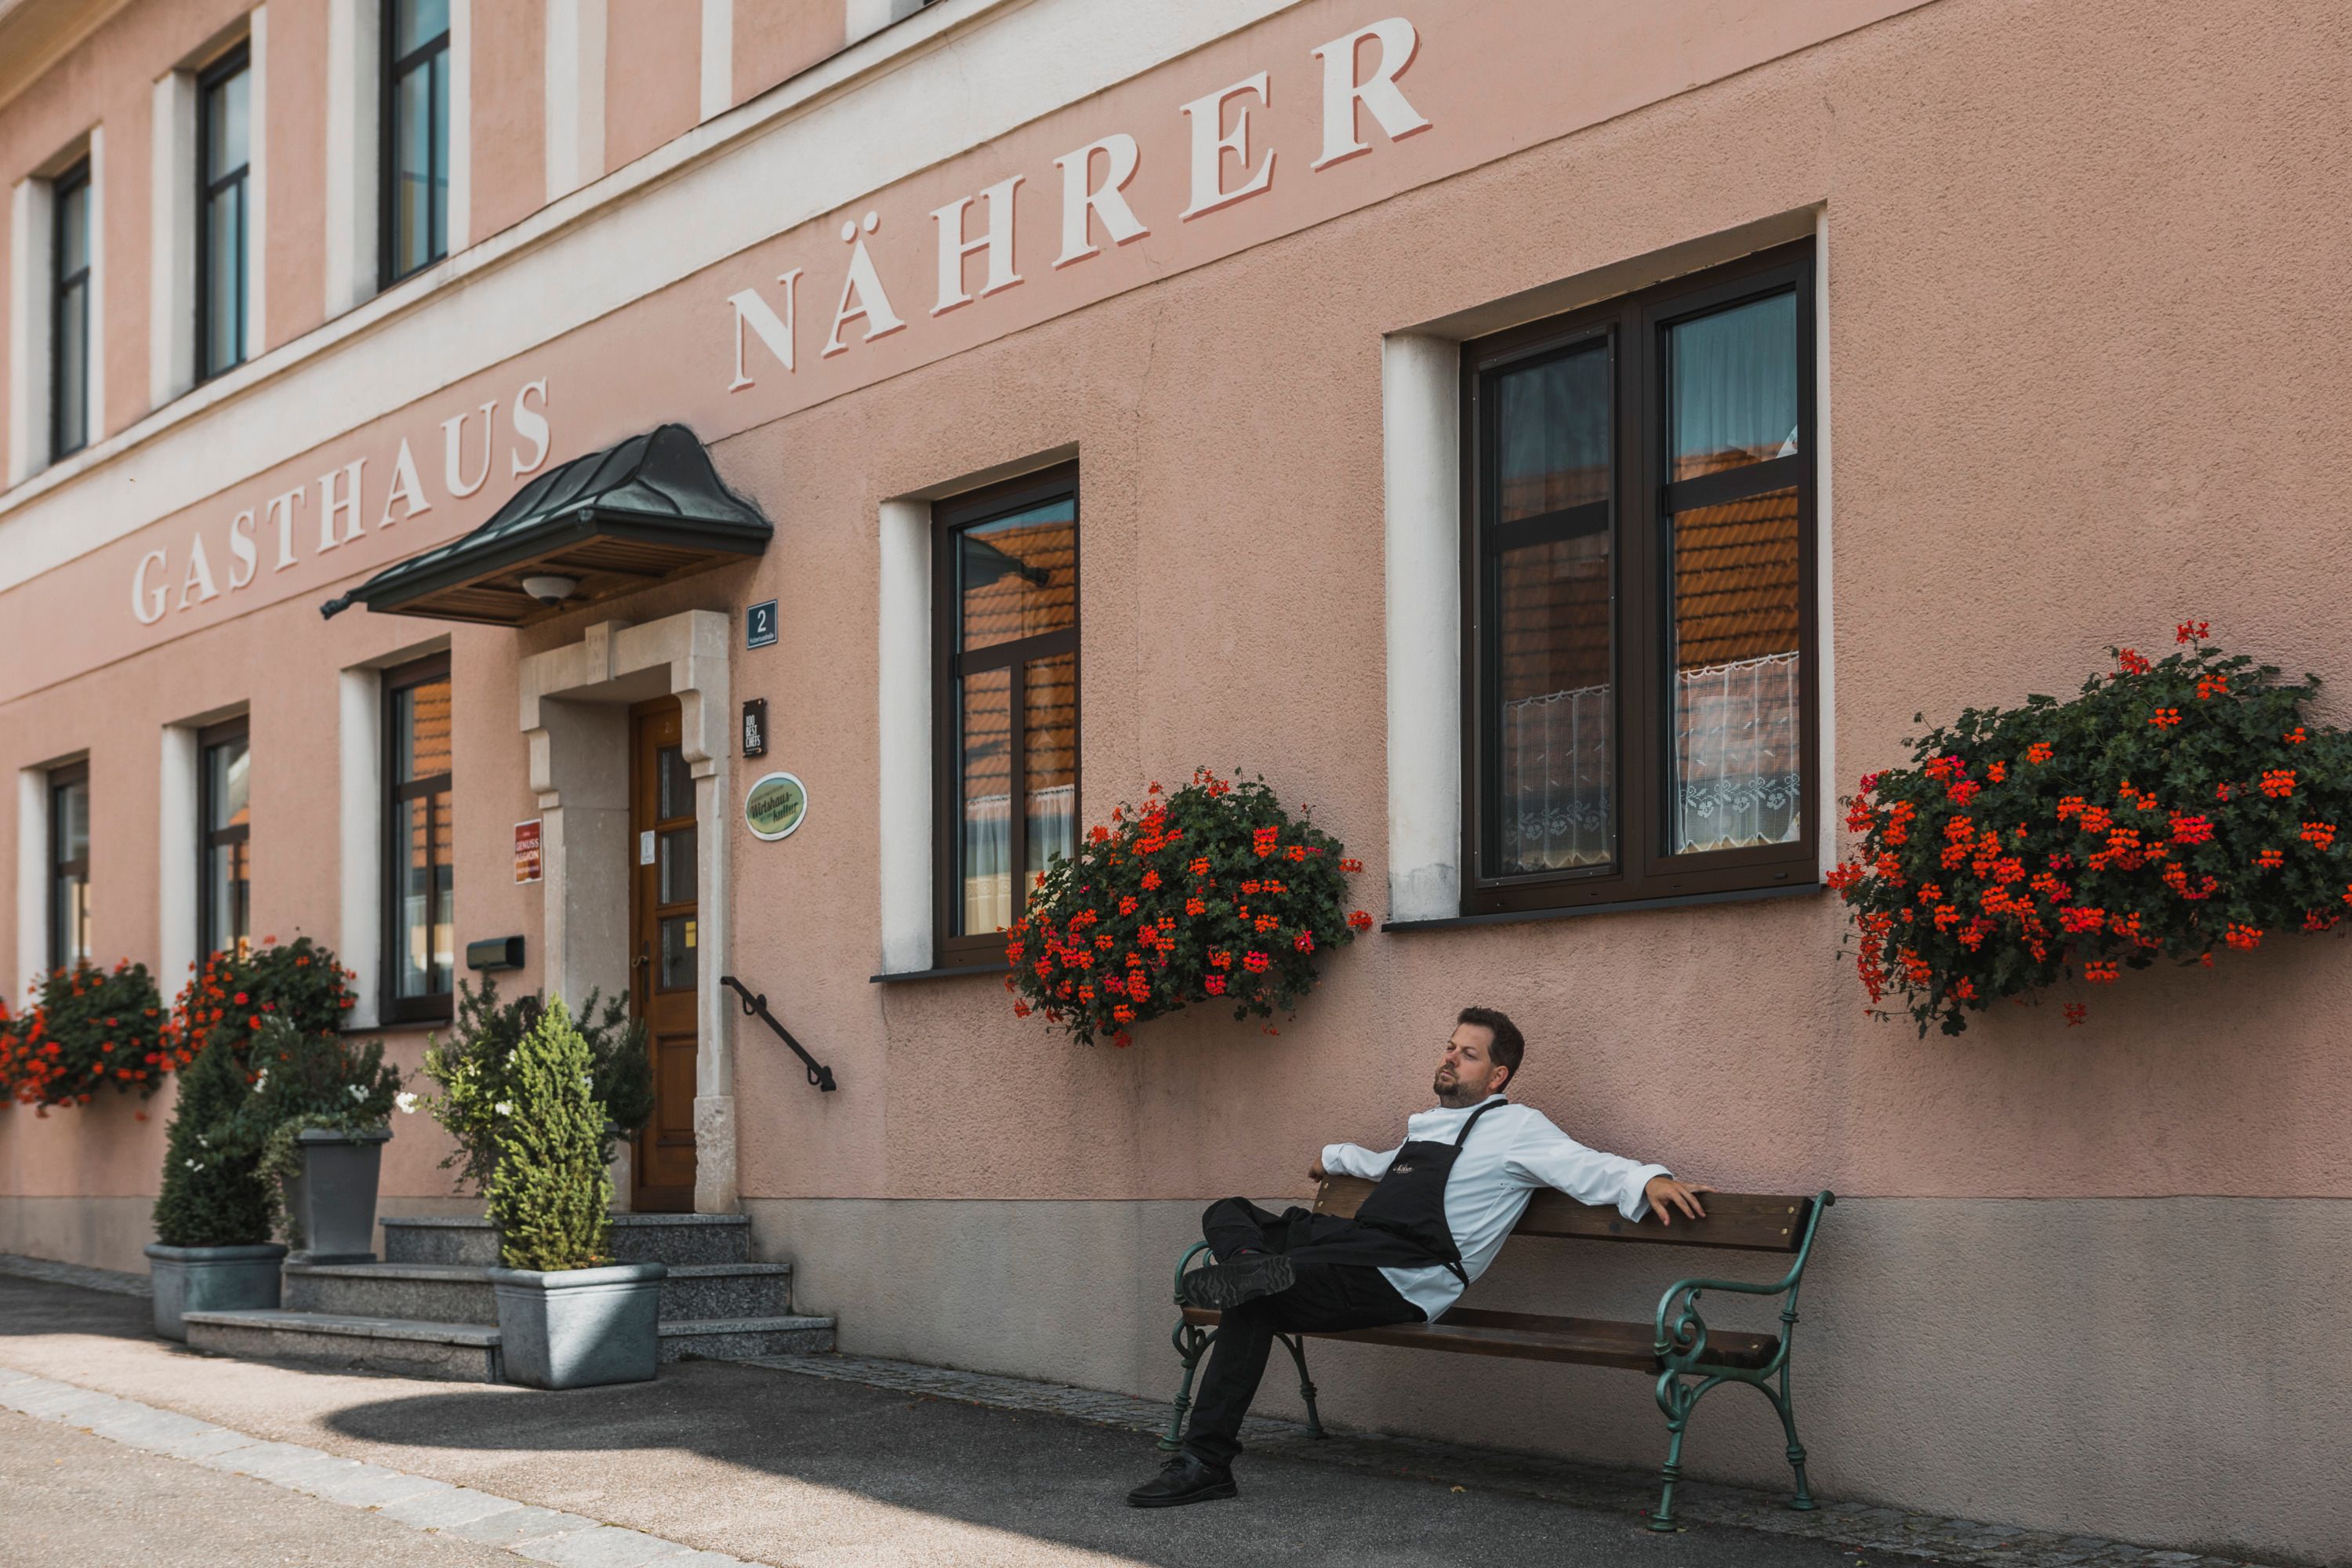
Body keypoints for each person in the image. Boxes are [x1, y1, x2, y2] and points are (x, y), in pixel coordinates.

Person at [1127, 1005, 1711, 1508]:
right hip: (1355, 1248)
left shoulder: (1518, 1129)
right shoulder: (1428, 1126)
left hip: (1403, 1277)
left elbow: (1586, 1164)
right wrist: (1333, 1157)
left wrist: (1649, 1179)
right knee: (1231, 1210)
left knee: (1255, 1300)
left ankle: (1205, 1464)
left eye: (1470, 1054)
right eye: (1450, 1047)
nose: (1452, 1058)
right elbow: (1383, 1166)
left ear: (1497, 1075)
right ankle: (1250, 1260)